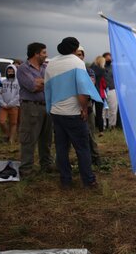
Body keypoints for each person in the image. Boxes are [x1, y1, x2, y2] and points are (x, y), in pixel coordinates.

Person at [44, 37, 102, 188]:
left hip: (56, 112)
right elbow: (82, 90)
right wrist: (83, 108)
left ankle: (65, 180)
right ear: (75, 48)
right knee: (82, 148)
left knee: (61, 149)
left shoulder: (52, 63)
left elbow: (48, 88)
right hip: (73, 113)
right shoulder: (77, 63)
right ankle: (88, 181)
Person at [17, 43, 54, 176]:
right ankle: (26, 169)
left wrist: (42, 82)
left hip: (47, 106)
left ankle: (46, 165)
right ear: (36, 54)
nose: (46, 55)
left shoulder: (46, 67)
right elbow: (33, 86)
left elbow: (52, 84)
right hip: (31, 106)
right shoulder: (23, 68)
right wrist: (46, 82)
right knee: (29, 138)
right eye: (44, 52)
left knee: (47, 138)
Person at [76, 46, 101, 166]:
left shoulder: (89, 71)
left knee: (90, 133)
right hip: (70, 106)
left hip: (87, 104)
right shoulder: (68, 71)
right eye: (76, 54)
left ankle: (95, 157)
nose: (78, 56)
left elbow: (88, 87)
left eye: (80, 54)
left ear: (83, 56)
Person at [0, 64, 20, 144]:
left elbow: (18, 95)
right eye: (8, 70)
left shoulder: (18, 82)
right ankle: (7, 134)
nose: (10, 72)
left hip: (14, 106)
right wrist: (3, 103)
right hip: (4, 106)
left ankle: (11, 140)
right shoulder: (3, 82)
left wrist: (11, 103)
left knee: (13, 123)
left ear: (15, 71)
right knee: (2, 121)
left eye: (12, 70)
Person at [90, 56, 107, 136]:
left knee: (90, 112)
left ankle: (90, 129)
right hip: (100, 94)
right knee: (99, 113)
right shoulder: (102, 71)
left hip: (90, 93)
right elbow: (104, 84)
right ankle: (101, 130)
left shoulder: (89, 69)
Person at [102, 52, 118, 130]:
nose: (109, 58)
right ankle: (103, 126)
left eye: (110, 57)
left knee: (113, 109)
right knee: (103, 110)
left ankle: (112, 125)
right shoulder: (100, 67)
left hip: (112, 90)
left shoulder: (114, 68)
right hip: (102, 90)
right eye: (107, 57)